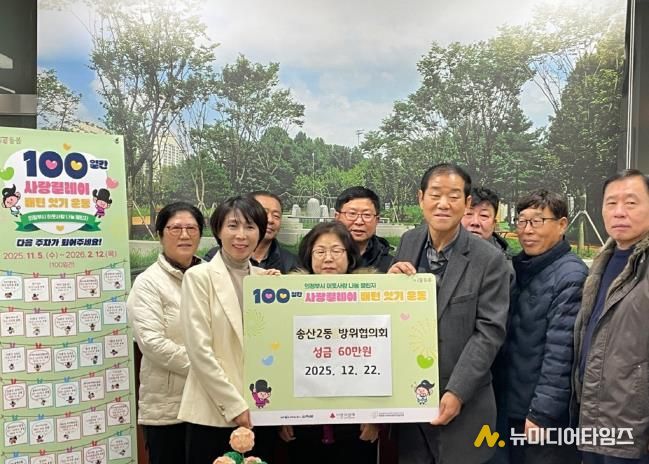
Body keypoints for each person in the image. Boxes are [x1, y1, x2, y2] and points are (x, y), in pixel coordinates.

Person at [388, 163, 510, 464]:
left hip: (465, 406)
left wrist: (458, 391)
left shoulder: (489, 259)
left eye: (453, 196)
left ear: (466, 203)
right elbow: (396, 317)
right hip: (411, 405)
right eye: (435, 194)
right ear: (421, 198)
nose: (443, 204)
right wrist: (389, 287)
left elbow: (489, 332)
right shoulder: (409, 242)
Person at [178, 196, 280, 464]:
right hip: (214, 412)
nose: (241, 235)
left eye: (250, 227)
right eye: (233, 226)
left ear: (260, 232)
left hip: (260, 412)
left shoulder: (267, 281)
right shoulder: (198, 277)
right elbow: (199, 352)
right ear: (218, 231)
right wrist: (235, 406)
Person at [497, 190, 587, 464]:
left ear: (562, 225)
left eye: (537, 221)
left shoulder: (570, 276)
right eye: (522, 221)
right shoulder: (520, 267)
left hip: (541, 418)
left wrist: (542, 414)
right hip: (513, 406)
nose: (527, 230)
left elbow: (561, 354)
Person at [280, 221, 380, 463]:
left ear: (350, 256)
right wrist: (279, 415)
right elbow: (279, 359)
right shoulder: (286, 299)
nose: (328, 258)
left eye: (336, 250)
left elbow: (382, 359)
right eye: (320, 251)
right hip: (302, 421)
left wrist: (376, 416)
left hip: (356, 423)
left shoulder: (373, 296)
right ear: (308, 255)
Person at [574, 169, 649, 464]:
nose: (619, 212)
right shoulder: (602, 262)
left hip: (635, 428)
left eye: (631, 203)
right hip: (596, 418)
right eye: (611, 203)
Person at [126, 202, 205, 464]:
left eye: (191, 228)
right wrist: (210, 368)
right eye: (175, 228)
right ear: (160, 234)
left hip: (211, 403)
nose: (184, 235)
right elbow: (152, 344)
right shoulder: (148, 282)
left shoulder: (211, 275)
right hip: (168, 408)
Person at [205, 191, 297, 273]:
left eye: (276, 216)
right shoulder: (211, 260)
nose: (270, 220)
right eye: (264, 213)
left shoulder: (290, 262)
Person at [334, 186, 393, 272]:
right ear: (337, 217)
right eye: (352, 213)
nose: (359, 222)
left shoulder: (390, 266)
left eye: (367, 215)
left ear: (377, 220)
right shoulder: (320, 260)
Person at [461, 186, 509, 256]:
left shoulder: (503, 260)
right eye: (469, 213)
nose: (475, 222)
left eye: (484, 215)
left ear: (494, 224)